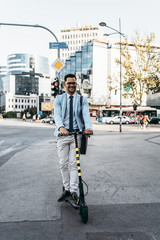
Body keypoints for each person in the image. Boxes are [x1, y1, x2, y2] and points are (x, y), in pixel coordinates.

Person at [54, 73, 93, 205]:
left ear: (76, 84)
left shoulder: (82, 100)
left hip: (77, 135)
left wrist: (88, 127)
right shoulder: (59, 99)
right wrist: (61, 127)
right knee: (63, 164)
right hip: (63, 135)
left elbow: (86, 115)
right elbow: (57, 115)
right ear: (64, 84)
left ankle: (73, 190)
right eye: (69, 83)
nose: (71, 85)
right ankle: (67, 189)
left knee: (74, 164)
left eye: (74, 83)